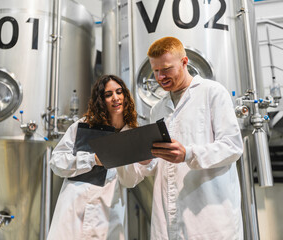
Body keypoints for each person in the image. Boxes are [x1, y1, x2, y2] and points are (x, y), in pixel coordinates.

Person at [117, 37, 244, 239]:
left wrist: (189, 153)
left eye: (166, 69)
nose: (160, 77)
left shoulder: (213, 93)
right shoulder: (158, 108)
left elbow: (233, 147)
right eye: (155, 70)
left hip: (210, 215)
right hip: (169, 214)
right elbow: (162, 162)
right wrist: (145, 159)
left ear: (185, 62)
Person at [48, 74, 138, 240]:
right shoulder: (84, 125)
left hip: (107, 212)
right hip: (74, 208)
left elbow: (130, 180)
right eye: (108, 94)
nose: (116, 98)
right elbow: (56, 162)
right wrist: (92, 159)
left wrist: (143, 162)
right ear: (101, 100)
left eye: (119, 92)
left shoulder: (131, 134)